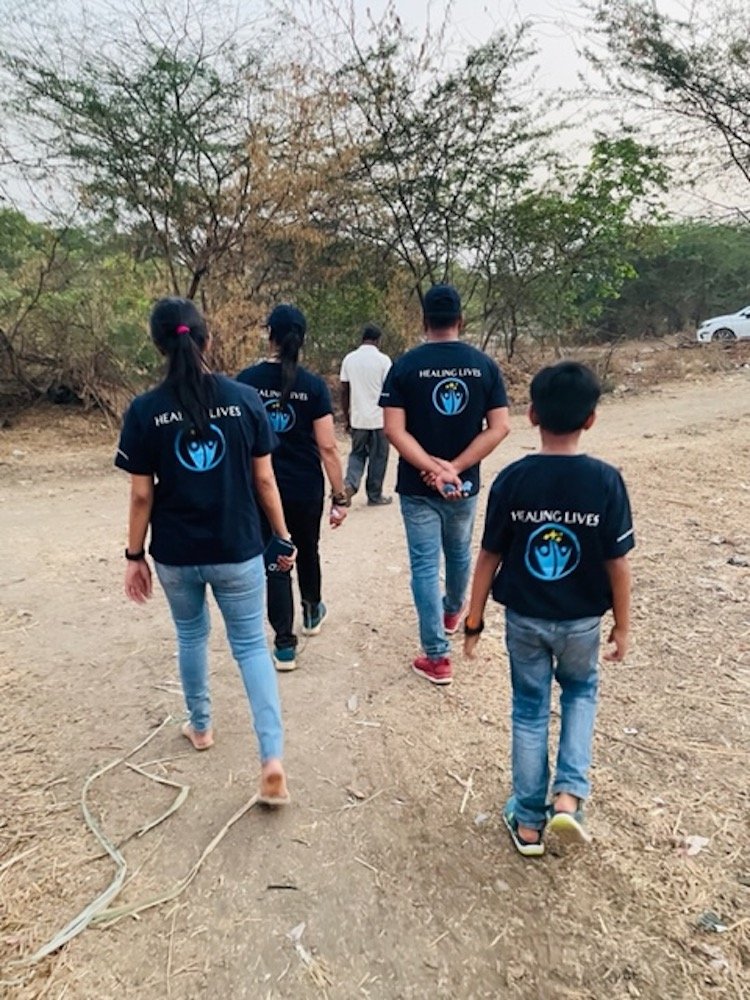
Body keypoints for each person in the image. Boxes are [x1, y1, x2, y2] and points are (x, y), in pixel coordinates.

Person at [116, 297, 293, 806]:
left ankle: (200, 725)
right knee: (251, 647)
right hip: (238, 547)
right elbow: (265, 480)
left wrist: (134, 556)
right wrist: (282, 535)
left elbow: (142, 495)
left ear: (158, 346)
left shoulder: (144, 411)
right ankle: (272, 759)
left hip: (176, 552)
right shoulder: (245, 400)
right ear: (206, 339)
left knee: (191, 634)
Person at [464, 361, 634, 857]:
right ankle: (568, 797)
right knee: (580, 693)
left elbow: (488, 557)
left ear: (532, 414)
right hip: (582, 621)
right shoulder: (605, 481)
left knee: (529, 709)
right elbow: (618, 564)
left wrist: (473, 622)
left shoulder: (513, 479)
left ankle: (529, 823)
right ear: (591, 419)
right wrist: (623, 626)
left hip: (525, 620)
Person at [380, 284, 510, 686]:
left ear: (424, 321)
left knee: (424, 565)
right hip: (463, 484)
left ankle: (437, 657)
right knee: (458, 553)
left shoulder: (405, 366)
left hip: (417, 486)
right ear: (460, 320)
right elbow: (500, 427)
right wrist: (454, 468)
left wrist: (431, 468)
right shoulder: (483, 366)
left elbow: (393, 430)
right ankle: (452, 611)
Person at [237, 305, 349, 672]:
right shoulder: (313, 386)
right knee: (308, 548)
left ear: (269, 334)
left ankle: (284, 644)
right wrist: (340, 496)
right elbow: (328, 447)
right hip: (305, 487)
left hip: (261, 488)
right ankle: (312, 610)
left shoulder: (246, 382)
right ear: (301, 339)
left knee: (276, 559)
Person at [340, 323, 393, 506]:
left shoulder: (349, 359)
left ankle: (350, 485)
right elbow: (389, 391)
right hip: (379, 419)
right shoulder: (383, 360)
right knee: (378, 457)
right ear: (378, 340)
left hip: (358, 418)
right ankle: (375, 495)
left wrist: (347, 417)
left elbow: (345, 390)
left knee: (357, 454)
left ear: (362, 339)